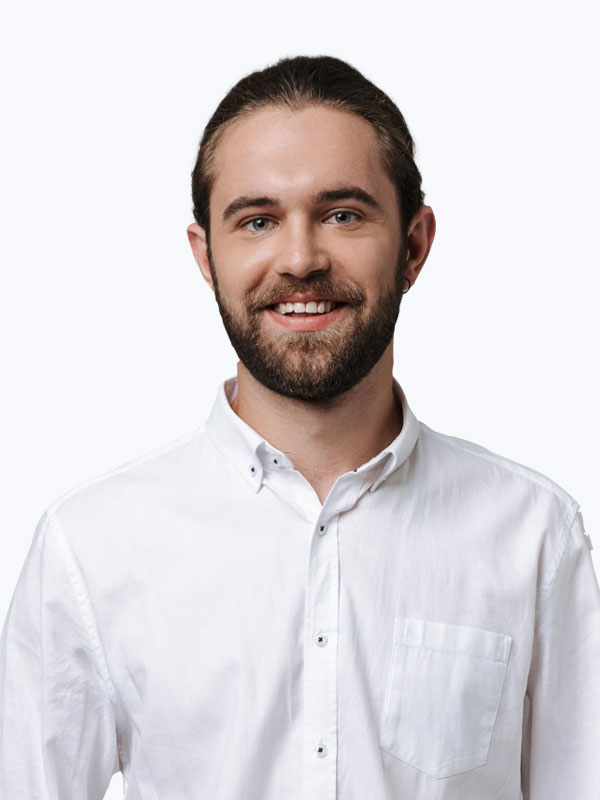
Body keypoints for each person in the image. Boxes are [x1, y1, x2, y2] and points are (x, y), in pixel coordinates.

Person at [0, 55, 598, 800]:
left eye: (342, 214)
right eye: (257, 221)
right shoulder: (90, 547)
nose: (300, 259)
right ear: (207, 257)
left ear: (413, 246)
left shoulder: (535, 535)